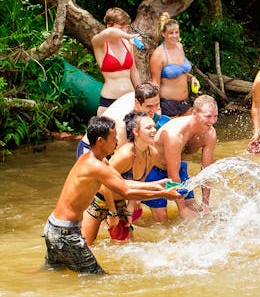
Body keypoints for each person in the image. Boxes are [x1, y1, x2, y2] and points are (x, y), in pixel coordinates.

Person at [43, 116, 179, 274]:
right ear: (100, 141)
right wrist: (163, 194)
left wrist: (155, 185)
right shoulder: (95, 166)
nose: (117, 141)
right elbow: (125, 191)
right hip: (65, 233)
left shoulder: (94, 159)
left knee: (52, 271)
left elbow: (121, 182)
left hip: (53, 227)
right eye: (114, 138)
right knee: (98, 279)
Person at [81, 112, 171, 245]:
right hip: (99, 199)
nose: (154, 130)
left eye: (154, 126)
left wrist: (130, 207)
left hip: (120, 203)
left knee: (126, 245)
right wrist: (112, 213)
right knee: (86, 245)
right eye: (148, 128)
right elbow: (104, 183)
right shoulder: (125, 154)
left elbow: (138, 183)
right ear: (136, 131)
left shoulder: (153, 154)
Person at [143, 95, 218, 222]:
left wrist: (206, 204)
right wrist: (182, 209)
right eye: (208, 116)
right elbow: (172, 174)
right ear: (194, 113)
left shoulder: (209, 133)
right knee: (162, 220)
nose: (212, 121)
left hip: (179, 168)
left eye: (215, 116)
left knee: (196, 212)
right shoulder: (175, 134)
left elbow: (207, 170)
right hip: (153, 170)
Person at [75, 81, 161, 159]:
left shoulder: (141, 95)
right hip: (92, 149)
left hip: (109, 147)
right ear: (137, 103)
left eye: (156, 104)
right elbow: (117, 156)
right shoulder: (122, 121)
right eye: (149, 106)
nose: (154, 110)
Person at [91, 7, 142, 115]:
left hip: (129, 98)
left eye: (127, 27)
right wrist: (128, 36)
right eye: (121, 27)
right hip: (110, 100)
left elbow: (133, 71)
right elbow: (109, 33)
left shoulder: (127, 43)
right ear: (109, 25)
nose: (125, 31)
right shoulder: (99, 43)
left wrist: (141, 93)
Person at [149, 13, 200, 117]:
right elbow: (155, 84)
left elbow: (182, 71)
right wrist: (156, 107)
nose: (175, 36)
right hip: (168, 104)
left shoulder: (179, 47)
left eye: (177, 32)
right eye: (171, 33)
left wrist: (192, 78)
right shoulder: (158, 55)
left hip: (185, 102)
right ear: (163, 34)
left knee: (189, 133)